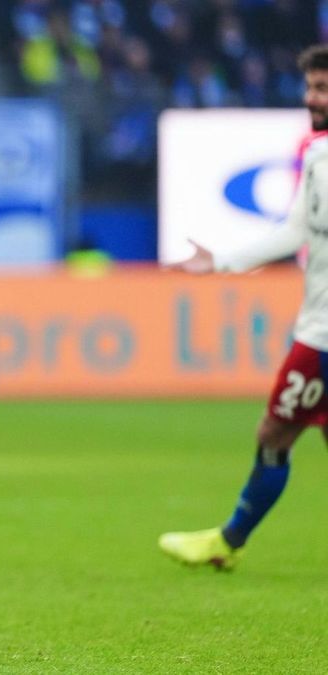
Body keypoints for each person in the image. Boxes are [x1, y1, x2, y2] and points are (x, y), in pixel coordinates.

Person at [159, 44, 328, 570]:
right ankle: (227, 540)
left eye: (322, 87)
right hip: (316, 322)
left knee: (274, 432)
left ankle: (228, 541)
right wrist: (222, 261)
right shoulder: (318, 155)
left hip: (323, 337)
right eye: (310, 86)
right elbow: (296, 231)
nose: (311, 97)